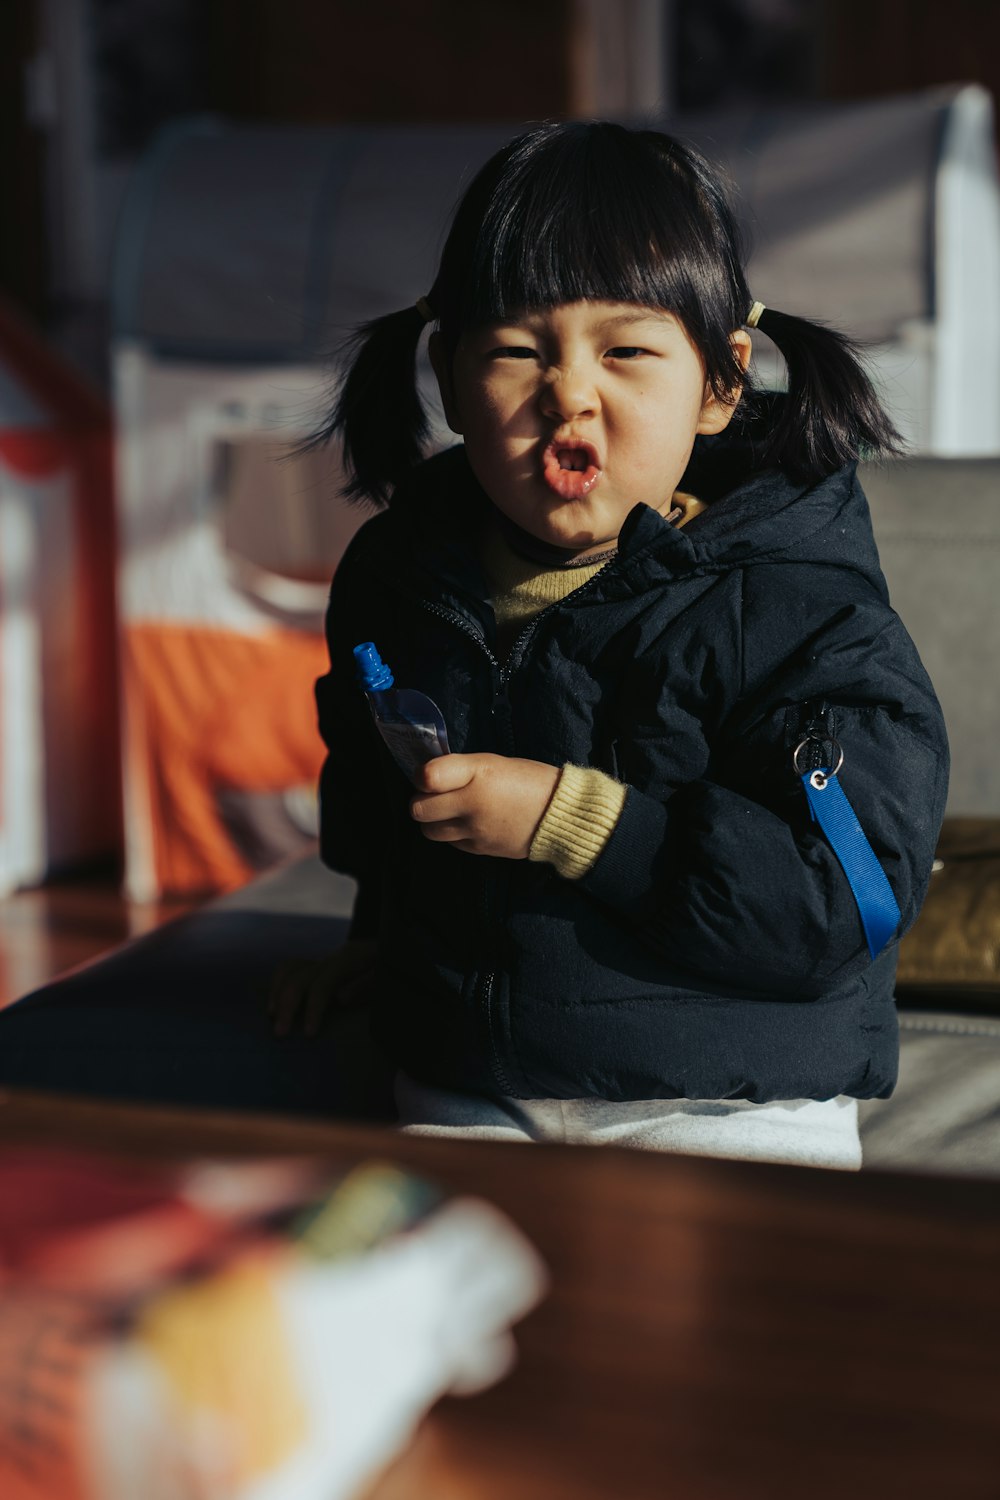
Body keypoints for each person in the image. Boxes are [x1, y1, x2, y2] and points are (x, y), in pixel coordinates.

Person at [270, 121, 948, 1170]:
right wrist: (375, 942)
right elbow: (380, 791)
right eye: (515, 350)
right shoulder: (399, 578)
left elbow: (834, 899)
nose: (569, 394)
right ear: (448, 377)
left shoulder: (799, 607)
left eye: (625, 351)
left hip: (726, 1094)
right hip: (468, 1075)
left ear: (721, 382)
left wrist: (568, 818)